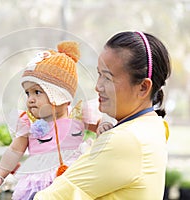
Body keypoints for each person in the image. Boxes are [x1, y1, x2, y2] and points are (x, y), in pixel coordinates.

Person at [34, 31, 171, 199]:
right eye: (99, 74)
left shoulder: (125, 140)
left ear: (143, 87)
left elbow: (50, 197)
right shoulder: (153, 126)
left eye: (108, 78)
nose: (98, 87)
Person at [0, 41, 114, 200]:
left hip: (71, 177)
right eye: (27, 93)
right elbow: (14, 151)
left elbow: (102, 128)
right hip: (38, 184)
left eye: (37, 92)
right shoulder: (29, 123)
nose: (30, 100)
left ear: (60, 95)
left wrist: (104, 125)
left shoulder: (79, 116)